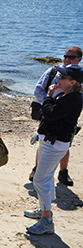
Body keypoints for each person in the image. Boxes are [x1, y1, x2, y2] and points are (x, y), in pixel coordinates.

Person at [24, 65, 83, 235]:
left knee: (40, 180)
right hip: (49, 140)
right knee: (46, 178)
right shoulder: (68, 95)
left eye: (63, 77)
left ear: (72, 82)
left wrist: (49, 96)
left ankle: (47, 220)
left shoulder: (73, 99)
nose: (58, 78)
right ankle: (43, 208)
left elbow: (49, 114)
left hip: (55, 144)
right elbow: (50, 117)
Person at [29, 46, 82, 186]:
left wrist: (55, 106)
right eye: (65, 56)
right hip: (48, 113)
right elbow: (39, 89)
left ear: (79, 59)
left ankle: (63, 172)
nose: (67, 59)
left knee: (65, 144)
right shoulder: (53, 71)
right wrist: (47, 105)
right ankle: (37, 169)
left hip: (66, 117)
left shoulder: (79, 78)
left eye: (71, 57)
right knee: (43, 141)